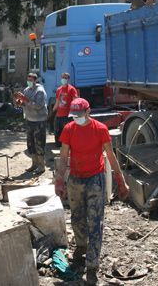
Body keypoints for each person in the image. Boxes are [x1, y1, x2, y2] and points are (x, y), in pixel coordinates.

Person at [55, 98, 130, 285]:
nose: (76, 119)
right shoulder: (69, 129)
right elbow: (64, 157)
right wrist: (59, 180)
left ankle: (92, 266)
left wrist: (121, 181)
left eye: (79, 115)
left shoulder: (100, 129)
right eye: (74, 116)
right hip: (75, 180)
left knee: (95, 223)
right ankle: (81, 246)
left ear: (88, 112)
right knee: (77, 218)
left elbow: (111, 156)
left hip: (95, 180)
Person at [15, 72, 48, 174]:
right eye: (28, 80)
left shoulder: (40, 91)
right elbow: (26, 104)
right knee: (31, 144)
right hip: (30, 120)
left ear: (35, 80)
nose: (29, 82)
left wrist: (24, 99)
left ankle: (42, 166)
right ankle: (34, 164)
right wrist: (20, 103)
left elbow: (38, 106)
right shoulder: (26, 90)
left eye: (31, 80)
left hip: (39, 121)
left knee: (39, 144)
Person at [48, 73, 78, 148]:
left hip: (68, 117)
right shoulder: (59, 90)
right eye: (63, 77)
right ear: (60, 78)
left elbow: (75, 101)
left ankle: (70, 152)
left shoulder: (71, 89)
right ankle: (60, 151)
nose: (64, 79)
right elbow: (57, 103)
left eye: (66, 78)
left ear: (68, 79)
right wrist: (51, 113)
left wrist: (75, 114)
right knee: (58, 135)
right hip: (59, 116)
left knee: (68, 136)